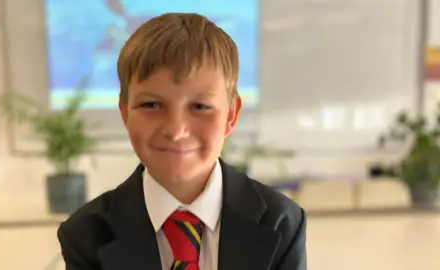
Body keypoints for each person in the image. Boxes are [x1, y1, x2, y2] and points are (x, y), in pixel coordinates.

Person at [57, 12, 307, 270]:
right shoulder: (86, 235)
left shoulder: (281, 222)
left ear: (231, 114)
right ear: (125, 112)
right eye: (151, 105)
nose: (176, 130)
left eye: (200, 106)